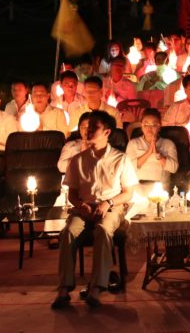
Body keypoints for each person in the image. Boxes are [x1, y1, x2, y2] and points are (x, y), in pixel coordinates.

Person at [53, 112, 137, 309]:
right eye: (86, 127)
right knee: (67, 233)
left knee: (102, 230)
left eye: (93, 128)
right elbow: (72, 192)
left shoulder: (120, 158)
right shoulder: (78, 160)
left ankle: (97, 288)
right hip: (84, 208)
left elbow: (128, 193)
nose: (87, 131)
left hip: (111, 207)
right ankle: (64, 289)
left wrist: (108, 202)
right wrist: (80, 205)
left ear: (107, 132)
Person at [125, 108, 179, 191]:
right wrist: (148, 152)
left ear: (159, 126)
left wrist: (158, 154)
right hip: (138, 186)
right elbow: (128, 167)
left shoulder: (168, 144)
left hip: (160, 187)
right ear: (141, 126)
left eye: (154, 125)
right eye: (146, 125)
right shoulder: (133, 143)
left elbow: (174, 168)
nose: (149, 128)